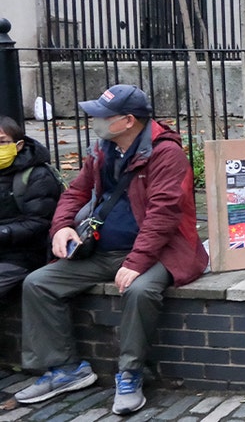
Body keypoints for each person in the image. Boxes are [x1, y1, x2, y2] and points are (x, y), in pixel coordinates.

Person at [14, 84, 208, 416]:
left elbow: (164, 213)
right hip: (104, 249)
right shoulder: (104, 149)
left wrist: (136, 262)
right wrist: (61, 226)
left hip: (162, 252)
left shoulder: (165, 153)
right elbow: (76, 191)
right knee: (39, 283)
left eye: (103, 116)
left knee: (139, 290)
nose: (95, 121)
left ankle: (130, 373)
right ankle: (65, 369)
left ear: (128, 120)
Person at [0, 116, 62, 296]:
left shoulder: (37, 175)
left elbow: (40, 223)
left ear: (18, 145)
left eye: (2, 142)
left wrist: (4, 233)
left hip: (21, 257)